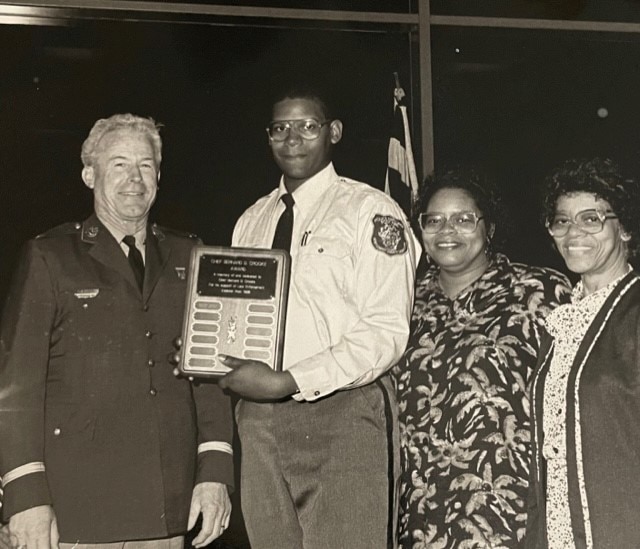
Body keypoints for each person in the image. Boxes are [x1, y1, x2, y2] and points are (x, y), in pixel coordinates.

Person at [0, 114, 234, 548]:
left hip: (167, 508)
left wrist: (215, 472)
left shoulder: (191, 254)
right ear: (90, 174)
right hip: (76, 512)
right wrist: (24, 496)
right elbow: (16, 389)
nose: (135, 179)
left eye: (146, 165)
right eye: (119, 164)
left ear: (159, 177)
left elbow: (210, 379)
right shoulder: (49, 256)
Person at [215, 86, 419, 548]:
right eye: (279, 129)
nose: (292, 139)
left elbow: (384, 332)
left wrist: (290, 380)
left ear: (333, 133)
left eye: (307, 126)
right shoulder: (251, 219)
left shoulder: (370, 211)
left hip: (345, 412)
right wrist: (205, 352)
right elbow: (237, 316)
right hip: (260, 419)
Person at [393, 167, 571, 548]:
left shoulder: (542, 293)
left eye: (463, 219)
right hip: (422, 518)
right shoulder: (399, 305)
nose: (447, 231)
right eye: (434, 220)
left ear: (488, 228)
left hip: (512, 516)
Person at [525, 157, 640, 548]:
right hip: (560, 532)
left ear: (624, 228)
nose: (573, 232)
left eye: (591, 219)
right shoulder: (561, 323)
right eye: (562, 221)